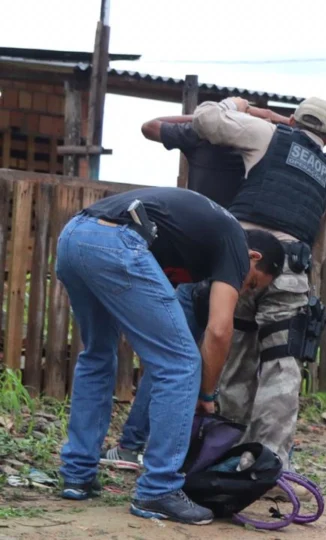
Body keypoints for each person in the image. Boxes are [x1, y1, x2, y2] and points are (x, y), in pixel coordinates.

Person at [56, 187, 285, 525]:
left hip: (74, 236)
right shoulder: (235, 243)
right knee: (180, 363)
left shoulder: (196, 242)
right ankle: (158, 489)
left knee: (98, 356)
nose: (244, 290)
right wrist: (206, 395)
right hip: (116, 241)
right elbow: (220, 331)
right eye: (252, 283)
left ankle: (77, 474)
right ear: (252, 258)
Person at [99, 105, 295, 472]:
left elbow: (150, 125)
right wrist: (268, 117)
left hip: (204, 264)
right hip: (228, 264)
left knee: (173, 358)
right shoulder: (266, 148)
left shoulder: (201, 139)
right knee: (211, 358)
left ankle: (138, 446)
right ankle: (186, 447)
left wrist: (206, 115)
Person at [184, 96, 326, 480]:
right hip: (291, 266)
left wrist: (234, 104)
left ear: (292, 119)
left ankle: (221, 452)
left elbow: (206, 120)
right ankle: (268, 465)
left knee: (233, 354)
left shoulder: (268, 133)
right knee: (282, 365)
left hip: (240, 259)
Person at [139, 105, 292, 208]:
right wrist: (271, 116)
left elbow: (150, 126)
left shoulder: (201, 136)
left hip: (201, 218)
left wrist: (205, 118)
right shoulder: (269, 146)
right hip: (243, 228)